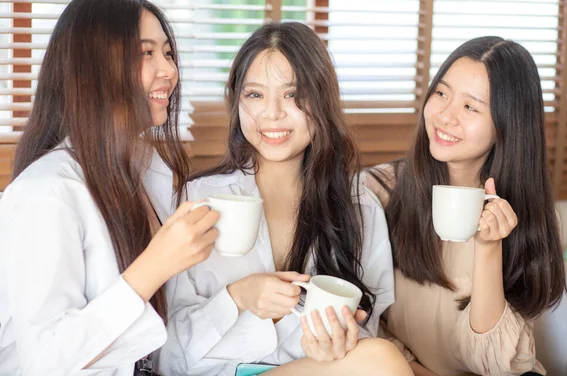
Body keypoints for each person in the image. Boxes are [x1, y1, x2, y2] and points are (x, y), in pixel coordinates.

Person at [158, 22, 413, 376]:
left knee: (378, 357)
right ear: (236, 101)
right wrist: (238, 298)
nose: (273, 113)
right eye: (255, 95)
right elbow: (165, 355)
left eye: (293, 95)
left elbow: (365, 332)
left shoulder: (360, 210)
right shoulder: (197, 202)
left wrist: (335, 345)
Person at [0, 0, 219, 375]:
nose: (169, 70)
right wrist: (153, 266)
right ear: (95, 69)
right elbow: (47, 361)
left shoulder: (150, 170)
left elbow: (170, 331)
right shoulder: (47, 192)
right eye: (145, 53)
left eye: (167, 53)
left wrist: (239, 299)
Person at [365, 36, 567, 376]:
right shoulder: (381, 190)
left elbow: (496, 366)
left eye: (471, 107)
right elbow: (360, 317)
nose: (445, 116)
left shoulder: (528, 218)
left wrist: (489, 249)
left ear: (507, 124)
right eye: (442, 93)